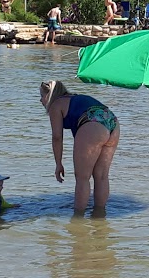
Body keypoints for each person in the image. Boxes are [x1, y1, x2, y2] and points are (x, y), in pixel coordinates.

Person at [40, 81, 121, 216]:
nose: (40, 100)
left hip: (92, 123)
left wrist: (58, 164)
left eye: (42, 96)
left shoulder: (55, 105)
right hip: (112, 120)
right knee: (101, 176)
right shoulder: (74, 98)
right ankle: (100, 216)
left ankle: (78, 219)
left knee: (82, 178)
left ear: (50, 95)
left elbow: (57, 137)